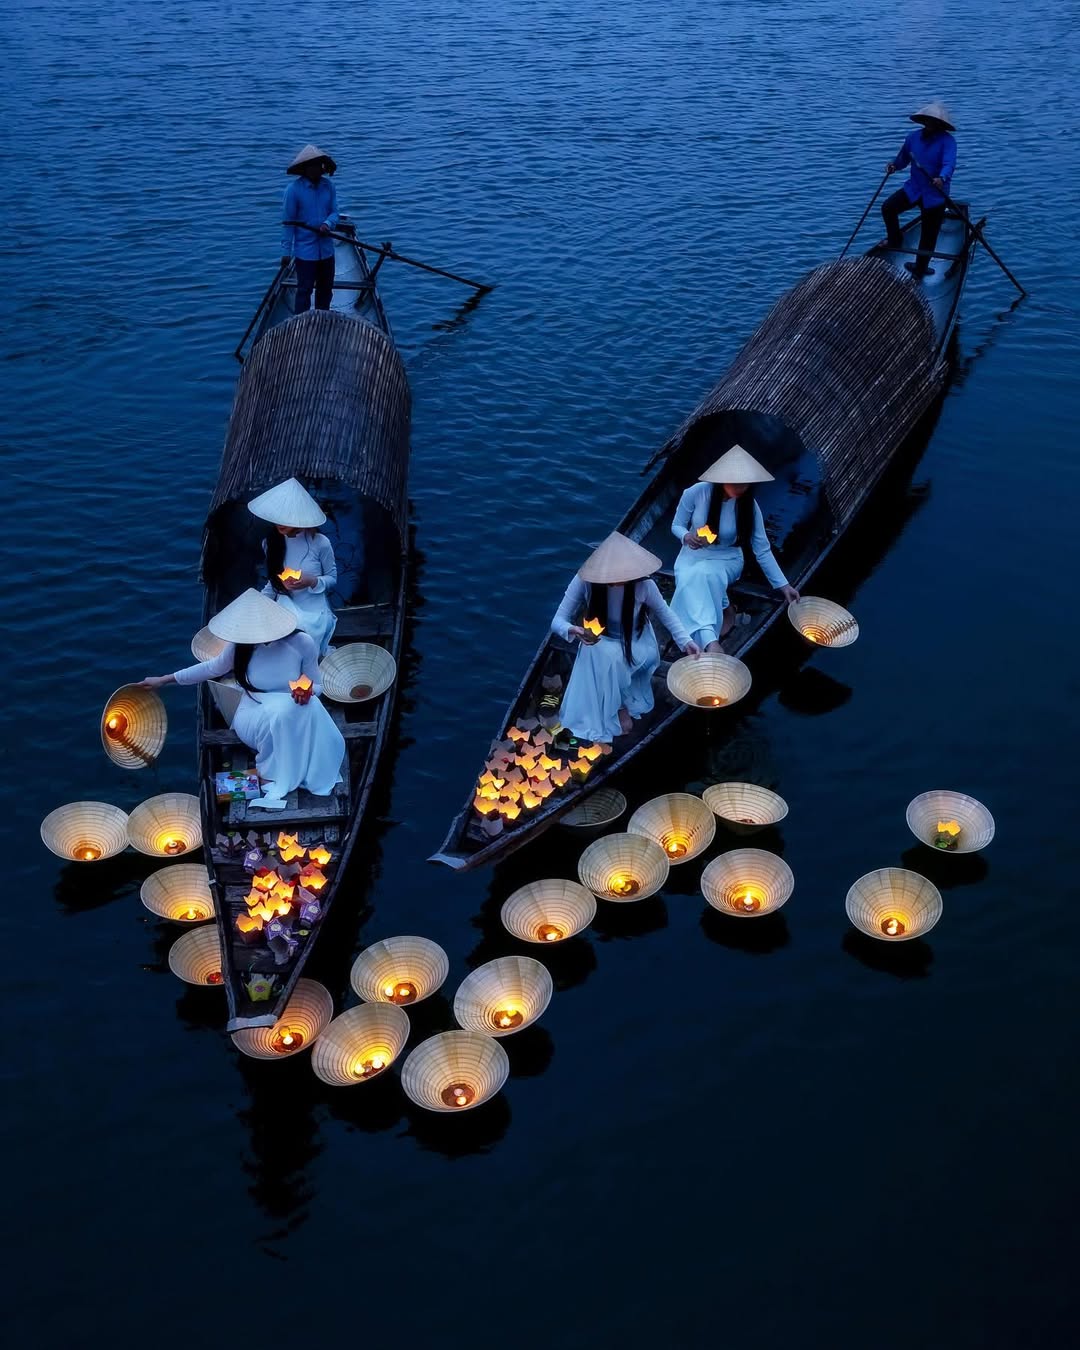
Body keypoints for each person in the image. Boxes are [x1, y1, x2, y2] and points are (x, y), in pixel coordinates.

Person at [138, 589, 345, 809]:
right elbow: (210, 668)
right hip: (254, 712)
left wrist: (308, 692)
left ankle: (295, 768)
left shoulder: (302, 642)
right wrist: (164, 680)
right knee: (280, 714)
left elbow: (318, 686)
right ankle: (268, 774)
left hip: (293, 708)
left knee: (310, 706)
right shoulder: (241, 647)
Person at [552, 531, 700, 742]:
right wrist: (573, 630)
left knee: (610, 656)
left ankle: (619, 703)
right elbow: (558, 620)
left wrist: (686, 641)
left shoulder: (644, 586)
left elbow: (666, 614)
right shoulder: (584, 580)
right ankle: (616, 706)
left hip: (636, 644)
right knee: (603, 652)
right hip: (601, 643)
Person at [669, 445, 800, 650]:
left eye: (745, 484)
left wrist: (784, 586)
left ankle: (708, 641)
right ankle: (724, 610)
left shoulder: (749, 506)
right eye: (736, 483)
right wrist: (686, 537)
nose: (741, 488)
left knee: (703, 575)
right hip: (691, 555)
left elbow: (762, 549)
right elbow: (677, 525)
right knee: (690, 576)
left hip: (727, 558)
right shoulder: (696, 492)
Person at [249, 477, 338, 655]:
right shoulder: (270, 543)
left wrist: (311, 581)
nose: (280, 523)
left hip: (314, 608)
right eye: (278, 517)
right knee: (274, 628)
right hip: (287, 602)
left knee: (301, 633)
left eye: (287, 518)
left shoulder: (320, 543)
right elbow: (273, 583)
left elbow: (332, 578)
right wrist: (257, 605)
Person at [882, 101, 957, 280]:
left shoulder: (948, 141)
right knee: (888, 208)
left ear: (940, 124)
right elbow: (903, 158)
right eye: (928, 121)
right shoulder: (913, 137)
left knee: (928, 234)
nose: (930, 124)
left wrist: (942, 178)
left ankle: (921, 268)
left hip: (935, 194)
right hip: (914, 188)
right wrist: (894, 166)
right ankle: (895, 240)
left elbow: (949, 164)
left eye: (934, 122)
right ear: (923, 121)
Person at [280, 143, 339, 313]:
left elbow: (334, 212)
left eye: (318, 165)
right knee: (304, 291)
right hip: (305, 252)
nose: (316, 169)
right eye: (312, 165)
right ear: (305, 168)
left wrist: (327, 224)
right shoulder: (293, 190)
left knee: (325, 291)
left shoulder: (328, 186)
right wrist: (286, 252)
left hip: (326, 250)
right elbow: (288, 223)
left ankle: (322, 320)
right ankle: (301, 323)